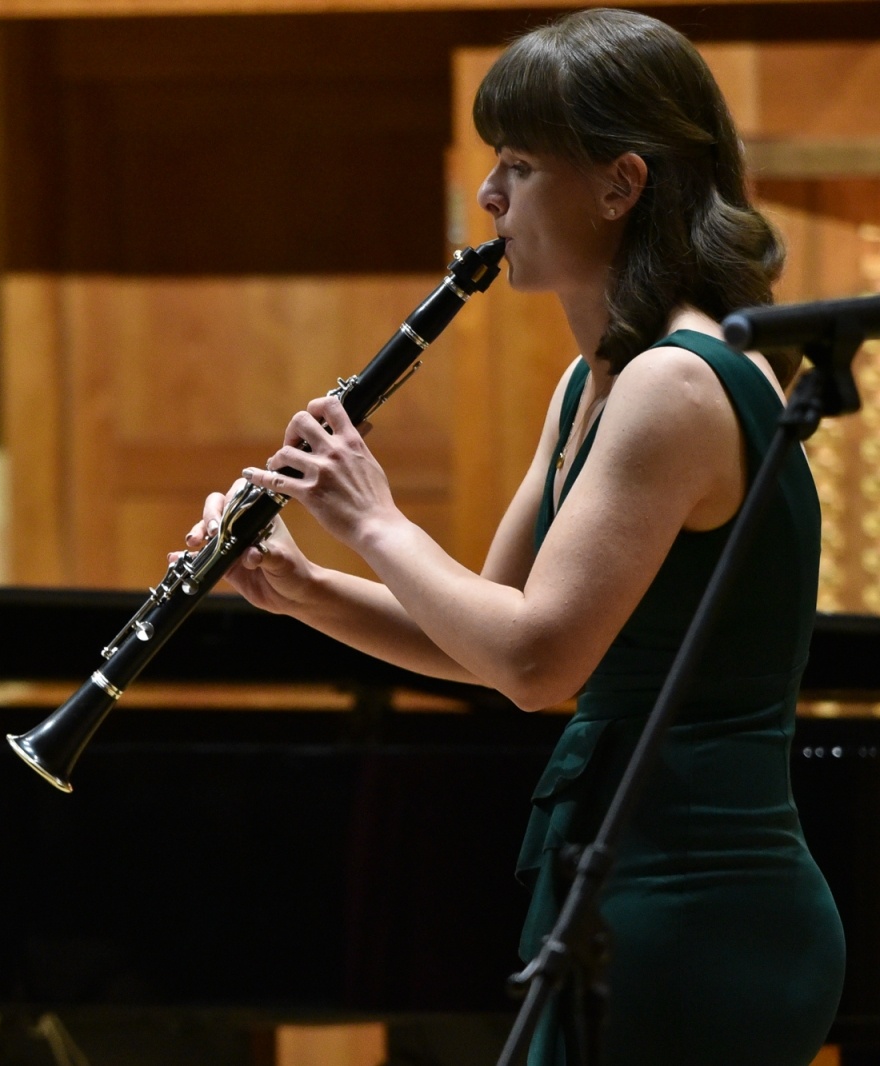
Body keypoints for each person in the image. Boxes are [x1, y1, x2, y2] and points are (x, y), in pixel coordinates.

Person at [190, 9, 844, 1065]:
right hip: (616, 881)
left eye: (519, 166)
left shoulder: (674, 382)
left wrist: (373, 519)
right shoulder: (594, 384)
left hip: (696, 912)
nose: (489, 199)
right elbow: (486, 645)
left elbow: (542, 665)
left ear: (619, 184)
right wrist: (302, 586)